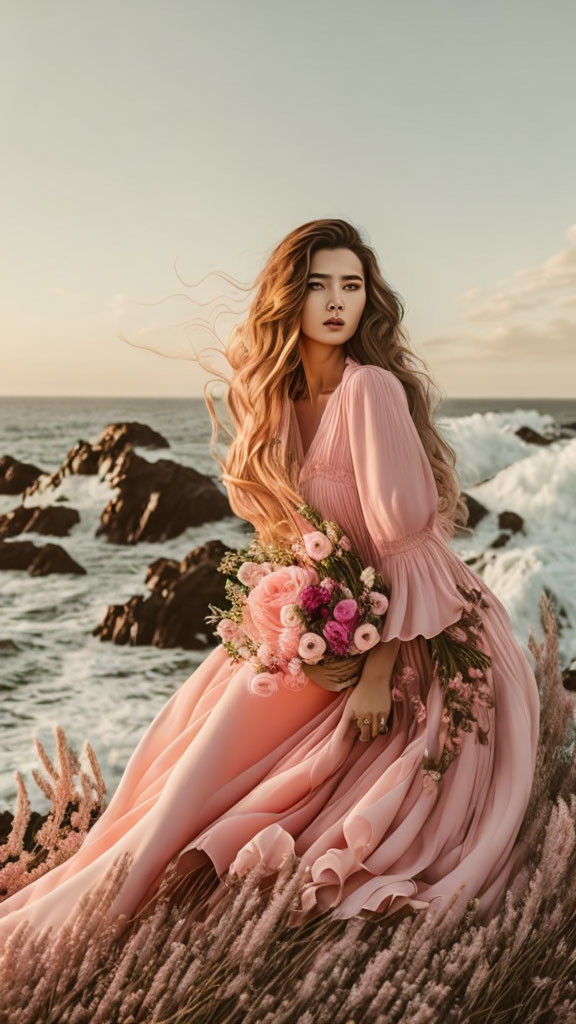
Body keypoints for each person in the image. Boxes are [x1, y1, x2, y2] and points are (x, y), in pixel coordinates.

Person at [0, 219, 540, 953]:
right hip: (330, 619)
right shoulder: (278, 402)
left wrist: (377, 674)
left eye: (352, 285)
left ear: (367, 300)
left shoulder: (372, 389)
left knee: (237, 745)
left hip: (414, 631)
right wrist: (284, 617)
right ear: (290, 295)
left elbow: (404, 547)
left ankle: (125, 907)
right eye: (319, 283)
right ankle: (100, 903)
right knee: (190, 730)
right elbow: (294, 539)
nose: (337, 300)